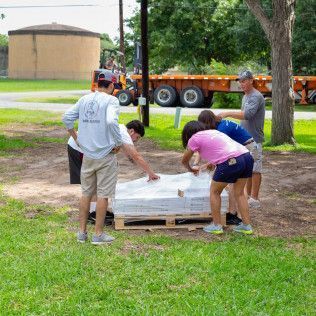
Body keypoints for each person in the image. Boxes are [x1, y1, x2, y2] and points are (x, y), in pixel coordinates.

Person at [63, 70, 122, 245]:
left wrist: (76, 137)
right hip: (106, 154)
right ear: (111, 86)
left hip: (87, 154)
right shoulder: (112, 100)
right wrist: (117, 142)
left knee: (86, 193)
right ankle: (98, 235)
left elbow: (66, 117)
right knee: (103, 195)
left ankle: (81, 233)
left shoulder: (84, 99)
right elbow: (112, 122)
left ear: (97, 84)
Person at [181, 121, 254, 235]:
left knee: (214, 192)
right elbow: (222, 151)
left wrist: (190, 169)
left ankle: (216, 226)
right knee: (239, 193)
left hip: (231, 160)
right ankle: (246, 226)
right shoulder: (213, 132)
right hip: (247, 156)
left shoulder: (194, 138)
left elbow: (184, 160)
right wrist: (209, 164)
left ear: (187, 134)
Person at [197, 110, 255, 224]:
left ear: (207, 122)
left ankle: (233, 215)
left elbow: (222, 152)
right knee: (233, 184)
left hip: (245, 149)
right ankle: (234, 214)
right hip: (244, 148)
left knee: (235, 185)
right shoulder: (220, 124)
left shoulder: (221, 130)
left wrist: (208, 164)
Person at [218, 70, 265, 208]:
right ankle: (249, 196)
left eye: (244, 81)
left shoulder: (255, 96)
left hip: (254, 138)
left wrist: (228, 113)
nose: (241, 84)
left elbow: (248, 115)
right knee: (249, 167)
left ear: (251, 80)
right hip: (245, 138)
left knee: (256, 169)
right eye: (240, 81)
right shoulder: (246, 96)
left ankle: (255, 199)